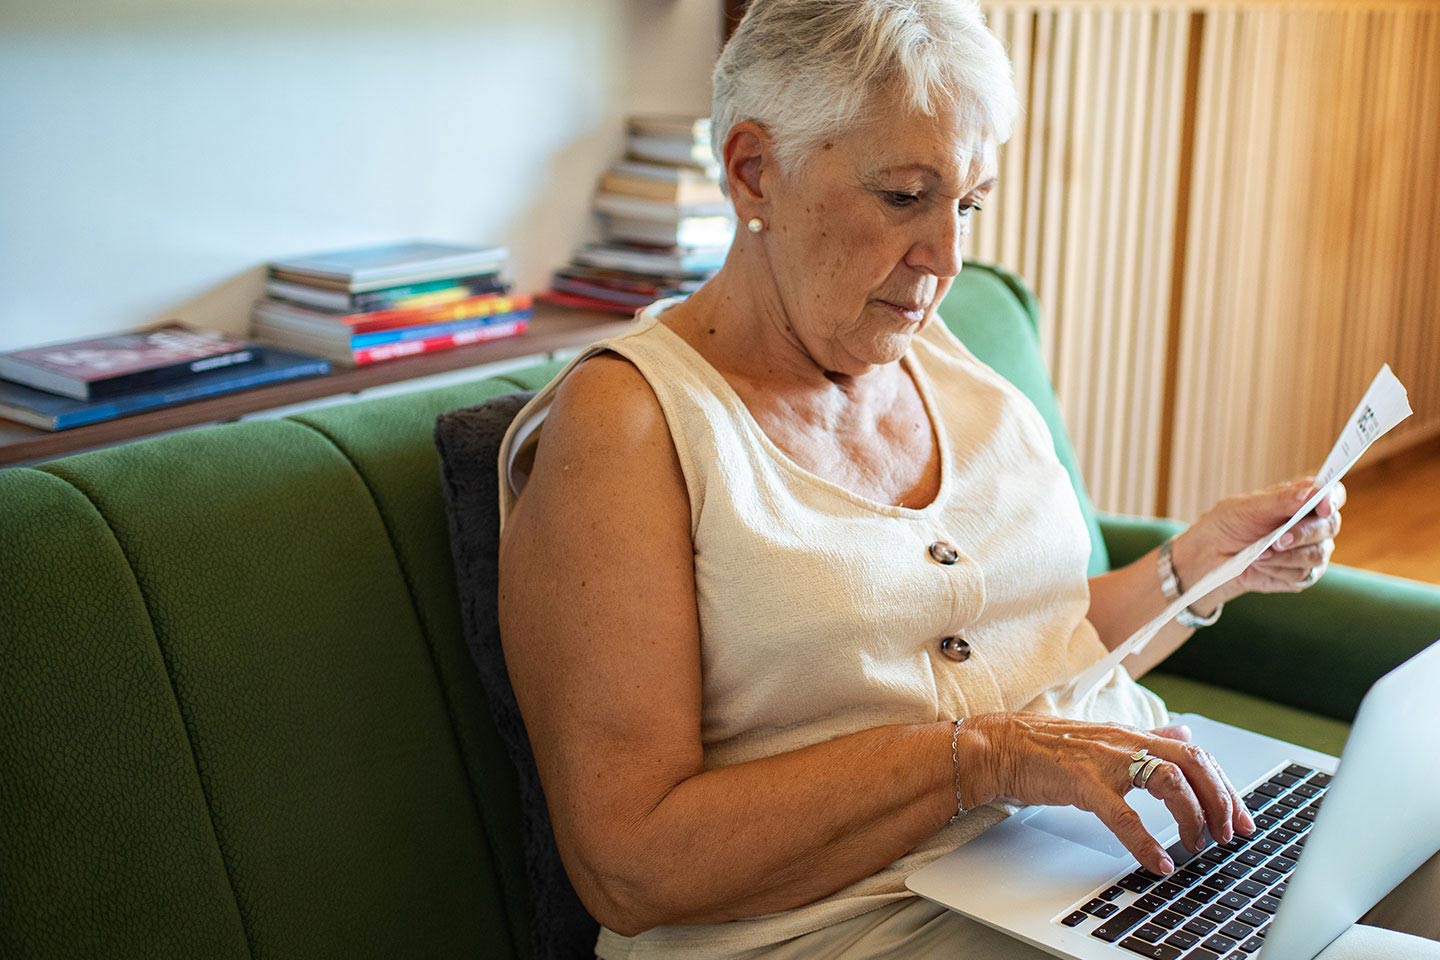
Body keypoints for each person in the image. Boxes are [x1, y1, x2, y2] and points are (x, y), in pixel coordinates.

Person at [495, 1, 1440, 956]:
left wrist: (1193, 573)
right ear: (753, 171)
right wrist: (989, 758)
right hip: (864, 925)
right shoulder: (629, 428)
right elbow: (630, 862)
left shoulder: (941, 354)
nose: (947, 258)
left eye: (970, 202)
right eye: (905, 196)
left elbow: (1032, 650)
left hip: (1106, 866)